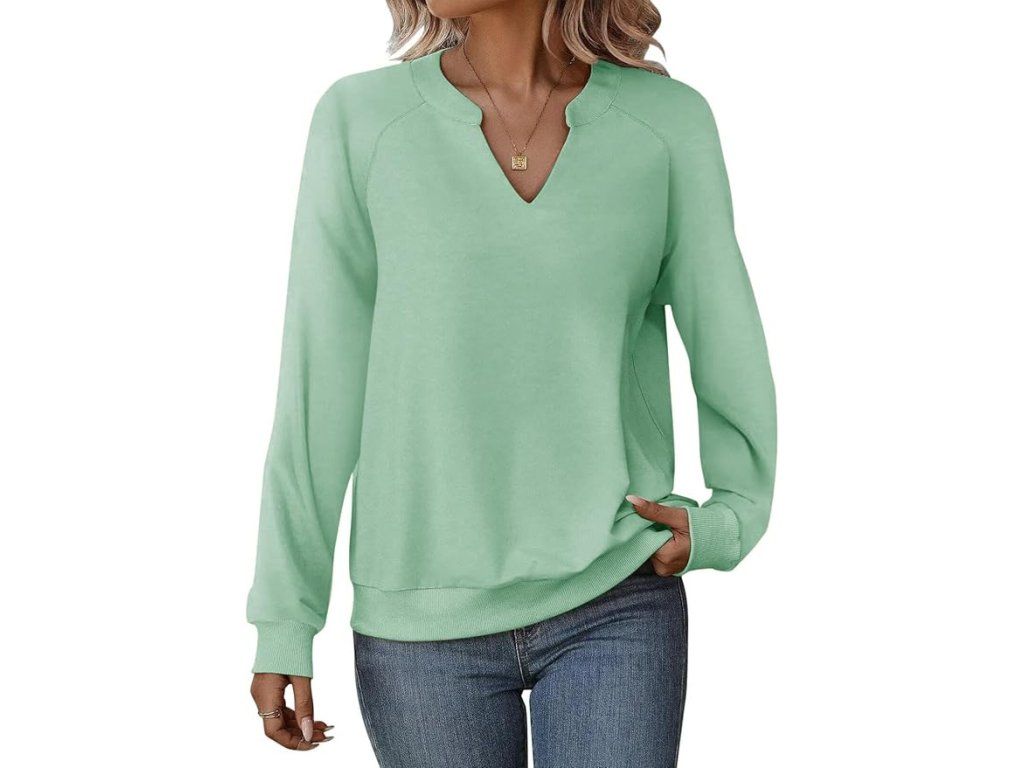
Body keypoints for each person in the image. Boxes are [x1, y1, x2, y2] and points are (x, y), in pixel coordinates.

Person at [246, 1, 777, 765]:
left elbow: (724, 333)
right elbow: (318, 383)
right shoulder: (361, 121)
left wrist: (732, 517)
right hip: (420, 622)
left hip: (614, 596)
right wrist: (285, 618)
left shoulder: (666, 125)